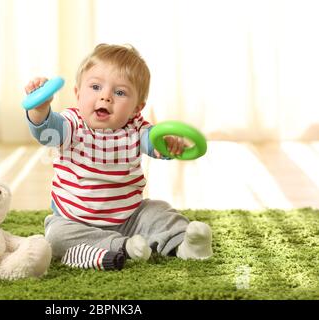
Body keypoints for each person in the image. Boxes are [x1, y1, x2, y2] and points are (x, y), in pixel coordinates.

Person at [25, 44, 213, 270]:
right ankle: (123, 247)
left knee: (160, 212)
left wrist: (169, 144)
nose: (105, 97)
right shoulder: (72, 124)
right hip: (74, 220)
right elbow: (46, 132)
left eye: (120, 92)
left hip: (130, 218)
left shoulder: (135, 127)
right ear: (78, 93)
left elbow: (154, 140)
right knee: (55, 237)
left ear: (136, 108)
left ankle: (186, 244)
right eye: (95, 87)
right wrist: (39, 107)